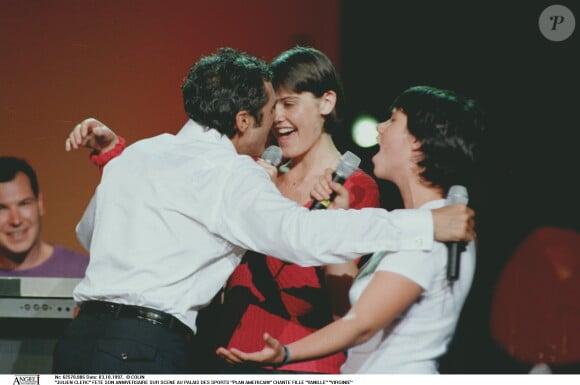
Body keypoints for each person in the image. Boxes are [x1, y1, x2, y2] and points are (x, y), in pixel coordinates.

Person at [55, 47, 475, 374]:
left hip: (78, 340)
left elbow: (89, 233)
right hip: (143, 349)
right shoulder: (231, 174)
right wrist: (424, 223)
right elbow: (300, 236)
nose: (275, 123)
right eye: (269, 110)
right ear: (242, 121)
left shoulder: (139, 153)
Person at [217, 85, 485, 373]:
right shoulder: (413, 226)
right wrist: (336, 219)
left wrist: (285, 354)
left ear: (417, 143)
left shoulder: (436, 229)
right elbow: (344, 314)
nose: (380, 128)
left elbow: (361, 325)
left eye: (393, 120)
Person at [204, 46, 380, 374]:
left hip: (298, 361)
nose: (277, 118)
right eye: (272, 107)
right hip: (227, 353)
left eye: (289, 104)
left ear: (326, 102)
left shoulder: (354, 187)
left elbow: (341, 304)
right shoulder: (260, 175)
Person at [0, 156, 88, 277]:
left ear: (40, 203)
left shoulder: (85, 273)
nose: (16, 220)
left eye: (24, 204)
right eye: (2, 208)